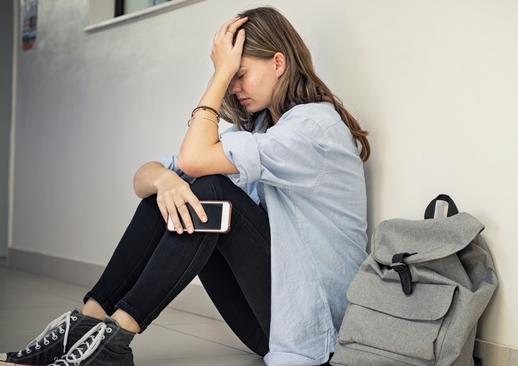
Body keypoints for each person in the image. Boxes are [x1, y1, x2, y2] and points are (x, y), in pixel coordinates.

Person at [0, 5, 370, 366]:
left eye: (239, 74)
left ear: (278, 63)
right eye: (230, 78)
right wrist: (164, 181)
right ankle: (89, 323)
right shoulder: (258, 130)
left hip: (313, 327)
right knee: (168, 192)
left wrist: (218, 74)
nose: (234, 87)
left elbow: (194, 161)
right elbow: (143, 177)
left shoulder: (313, 128)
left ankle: (114, 339)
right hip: (271, 321)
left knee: (208, 188)